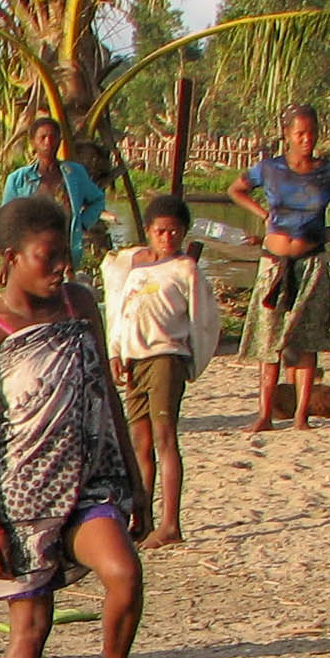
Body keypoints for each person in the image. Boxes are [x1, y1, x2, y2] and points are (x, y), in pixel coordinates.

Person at [0, 198, 150, 658]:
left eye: (65, 255)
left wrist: (137, 483)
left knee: (125, 574)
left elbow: (109, 396)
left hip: (93, 481)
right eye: (48, 257)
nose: (60, 267)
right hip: (22, 495)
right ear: (12, 258)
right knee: (32, 626)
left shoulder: (80, 304)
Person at [230, 103, 330, 433]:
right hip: (274, 264)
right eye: (300, 134)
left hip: (312, 262)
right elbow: (236, 189)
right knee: (267, 340)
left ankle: (301, 415)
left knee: (308, 338)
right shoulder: (269, 169)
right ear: (287, 135)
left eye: (311, 133)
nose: (307, 139)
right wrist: (262, 213)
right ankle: (265, 414)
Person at [101, 194, 221, 548]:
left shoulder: (186, 269)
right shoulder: (136, 269)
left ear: (182, 233)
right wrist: (117, 351)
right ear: (149, 233)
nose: (166, 238)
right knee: (140, 442)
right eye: (160, 232)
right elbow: (121, 312)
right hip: (135, 359)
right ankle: (142, 517)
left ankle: (171, 523)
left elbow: (204, 320)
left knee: (165, 437)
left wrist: (192, 361)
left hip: (166, 356)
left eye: (173, 232)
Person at [0, 118, 107, 269]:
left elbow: (97, 199)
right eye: (42, 137)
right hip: (28, 256)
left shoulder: (74, 174)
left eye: (53, 137)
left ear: (60, 140)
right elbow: (6, 222)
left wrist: (82, 223)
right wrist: (6, 262)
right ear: (33, 142)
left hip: (64, 256)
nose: (48, 142)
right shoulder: (18, 179)